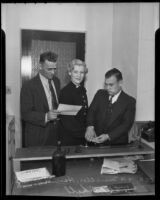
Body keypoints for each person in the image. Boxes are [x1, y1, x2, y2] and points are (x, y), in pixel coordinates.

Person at [85, 68, 136, 145]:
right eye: (106, 84)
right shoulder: (100, 94)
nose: (107, 88)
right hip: (95, 143)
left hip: (116, 145)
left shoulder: (129, 101)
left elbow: (126, 124)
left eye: (111, 85)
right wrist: (90, 127)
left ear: (120, 83)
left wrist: (108, 136)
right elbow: (91, 111)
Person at [20, 51, 60, 147]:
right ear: (40, 66)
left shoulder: (57, 81)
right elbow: (25, 114)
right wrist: (46, 116)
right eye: (49, 69)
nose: (53, 72)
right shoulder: (28, 86)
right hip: (37, 138)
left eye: (54, 69)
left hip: (55, 136)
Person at [58, 59, 88, 146]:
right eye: (75, 72)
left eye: (82, 72)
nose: (79, 75)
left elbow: (84, 114)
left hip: (80, 137)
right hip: (70, 139)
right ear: (70, 73)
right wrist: (85, 133)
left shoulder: (82, 90)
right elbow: (68, 122)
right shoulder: (66, 92)